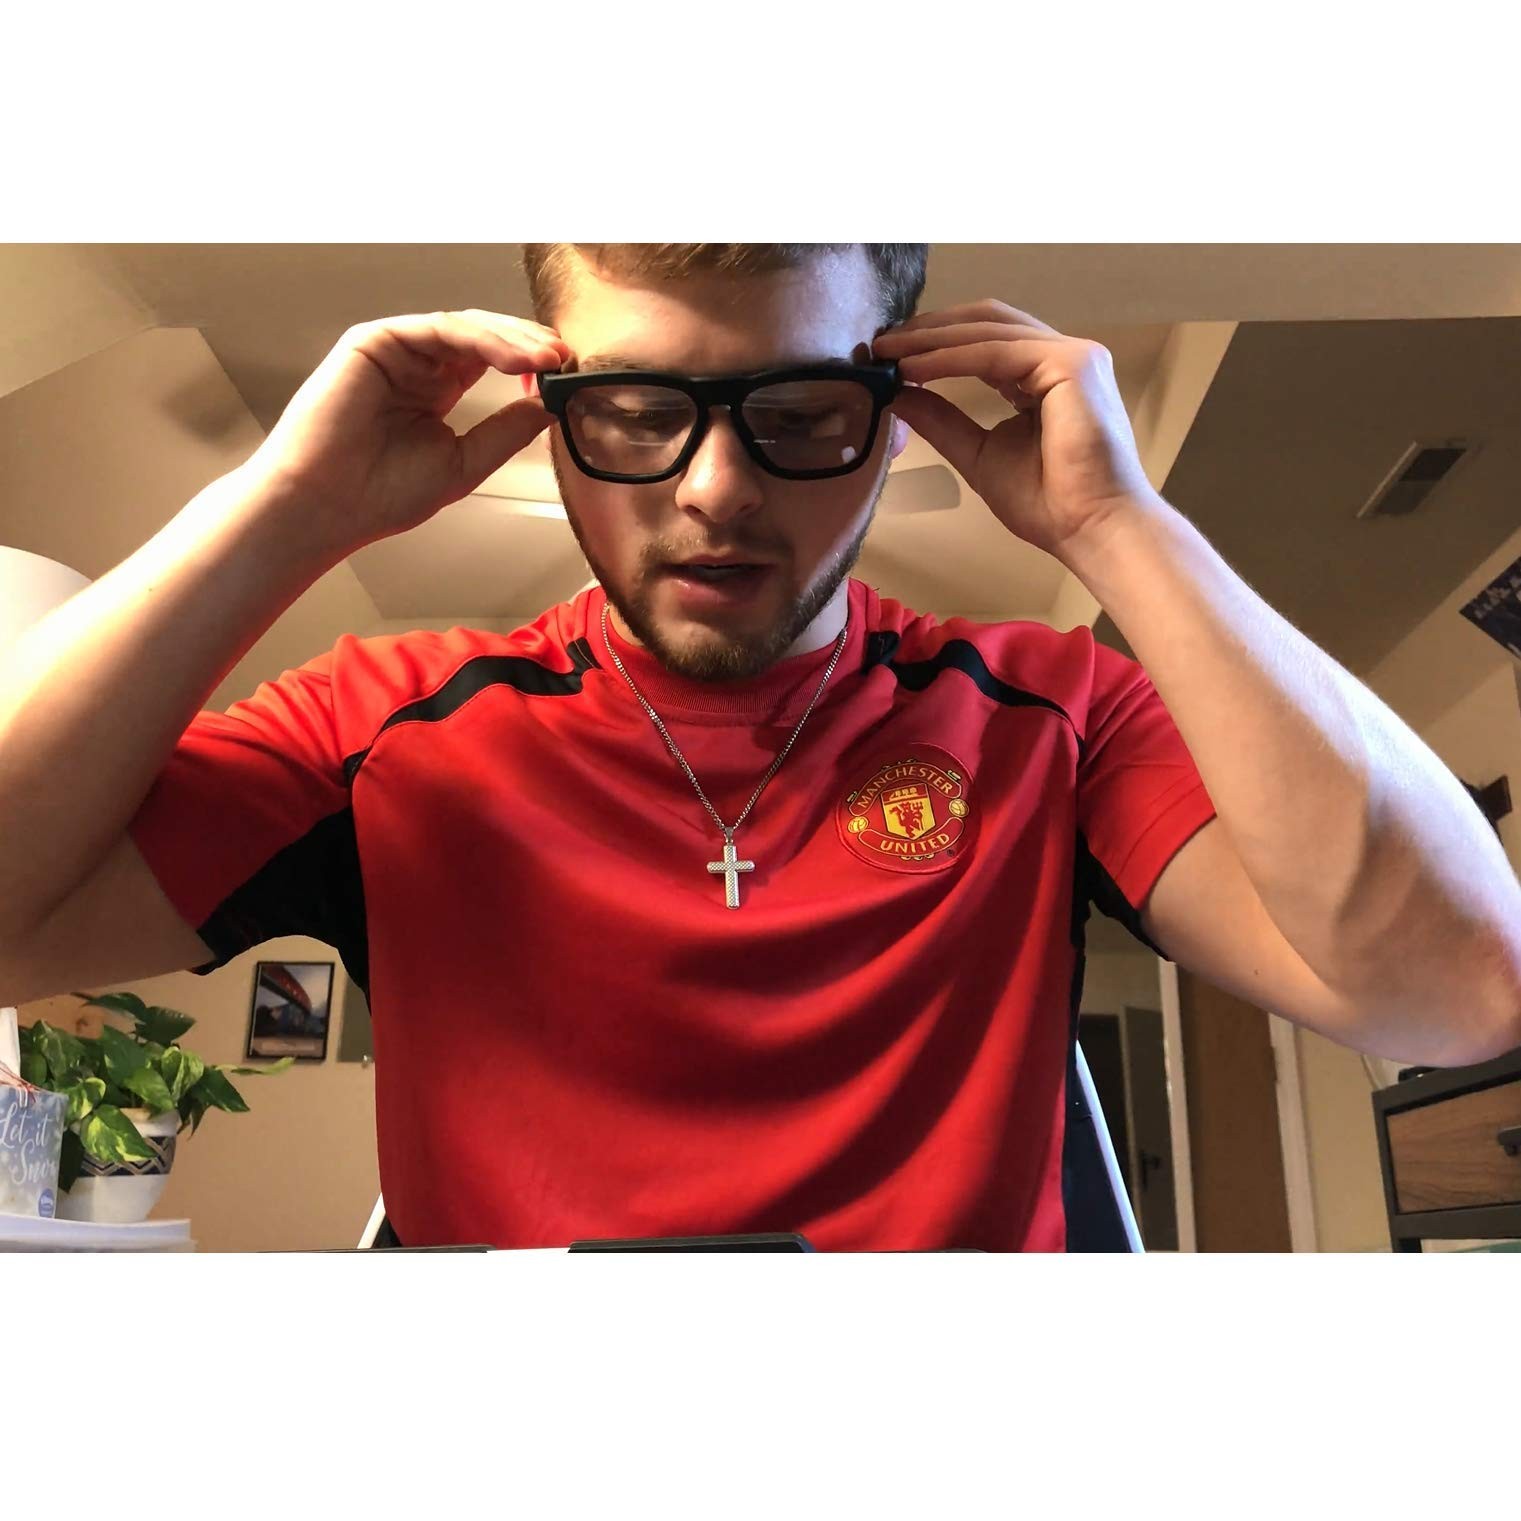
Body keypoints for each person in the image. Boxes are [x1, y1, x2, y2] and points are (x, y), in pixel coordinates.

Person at [1, 243, 1516, 1251]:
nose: (716, 490)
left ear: (895, 414)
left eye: (799, 410)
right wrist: (282, 509)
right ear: (550, 411)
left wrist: (1121, 526)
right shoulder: (377, 723)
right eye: (635, 408)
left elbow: (1463, 990)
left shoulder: (1047, 712)